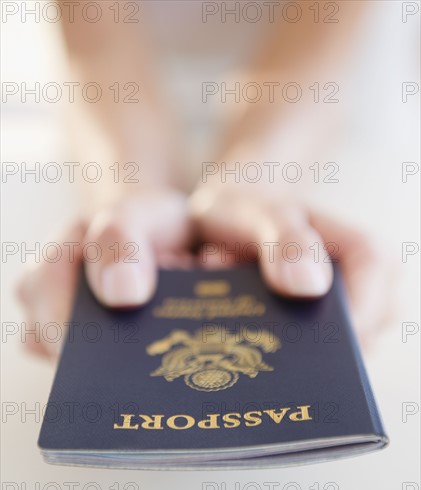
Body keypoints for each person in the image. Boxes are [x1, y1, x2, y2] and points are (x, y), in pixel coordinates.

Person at [18, 0, 395, 358]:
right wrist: (127, 205)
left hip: (324, 114)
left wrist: (256, 191)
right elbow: (98, 43)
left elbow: (321, 34)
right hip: (107, 115)